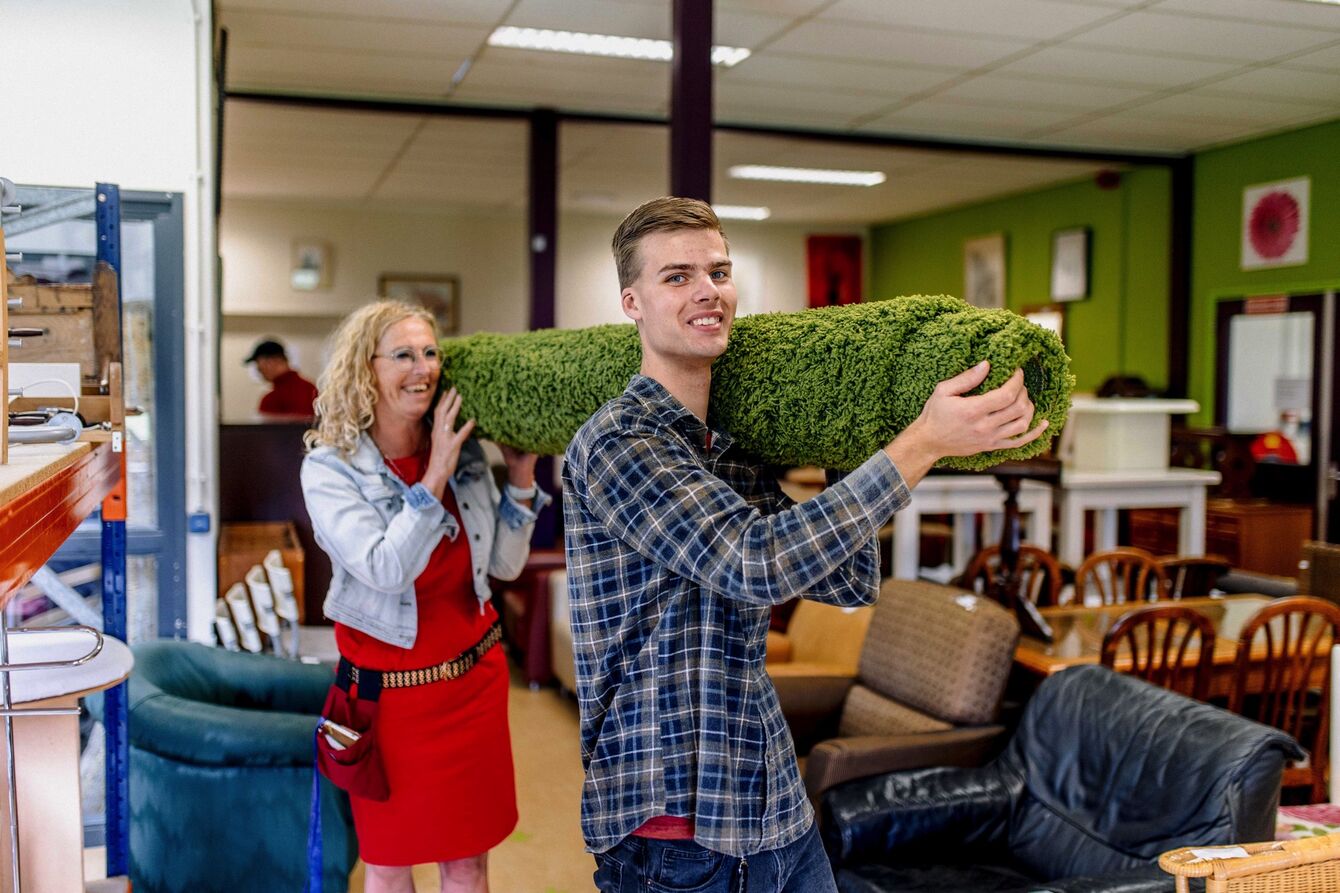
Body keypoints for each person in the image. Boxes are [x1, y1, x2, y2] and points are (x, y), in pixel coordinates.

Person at [562, 197, 1048, 892]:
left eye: (719, 271)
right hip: (677, 827)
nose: (708, 290)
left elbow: (847, 581)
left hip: (772, 803)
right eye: (677, 277)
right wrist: (922, 444)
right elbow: (754, 560)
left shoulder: (728, 448)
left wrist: (850, 432)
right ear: (632, 302)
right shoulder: (620, 442)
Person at [301, 300, 548, 893]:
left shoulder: (465, 454)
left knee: (468, 864)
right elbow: (385, 569)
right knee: (389, 864)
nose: (424, 367)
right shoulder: (330, 470)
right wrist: (432, 473)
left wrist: (518, 479)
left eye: (431, 353)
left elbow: (505, 567)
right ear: (366, 369)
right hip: (390, 704)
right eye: (404, 355)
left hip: (474, 687)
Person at [245, 338, 319, 417]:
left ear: (271, 362)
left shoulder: (271, 400)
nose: (258, 369)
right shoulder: (311, 389)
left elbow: (264, 429)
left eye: (258, 363)